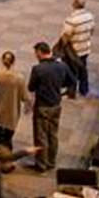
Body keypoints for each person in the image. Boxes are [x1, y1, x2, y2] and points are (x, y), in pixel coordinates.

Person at [27, 42, 76, 172]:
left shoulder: (38, 69)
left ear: (40, 52)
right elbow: (72, 80)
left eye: (36, 53)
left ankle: (41, 164)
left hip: (42, 106)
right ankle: (51, 161)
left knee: (41, 136)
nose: (36, 56)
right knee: (53, 134)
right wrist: (60, 86)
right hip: (56, 105)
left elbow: (31, 87)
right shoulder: (62, 66)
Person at [0, 51, 30, 151]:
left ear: (2, 60)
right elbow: (24, 97)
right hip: (12, 115)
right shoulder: (19, 78)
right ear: (14, 62)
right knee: (8, 139)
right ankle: (7, 156)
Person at [61, 0, 95, 96]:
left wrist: (63, 45)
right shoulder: (90, 16)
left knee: (71, 70)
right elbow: (92, 30)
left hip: (73, 50)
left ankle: (71, 91)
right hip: (85, 48)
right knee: (83, 68)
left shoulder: (72, 20)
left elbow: (66, 35)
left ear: (75, 4)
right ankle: (84, 90)